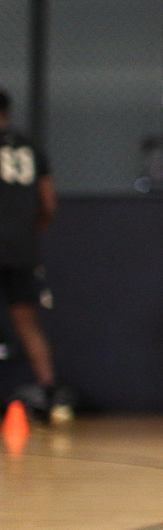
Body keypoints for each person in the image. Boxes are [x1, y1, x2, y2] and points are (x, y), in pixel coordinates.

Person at [0, 89, 69, 422]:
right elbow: (49, 203)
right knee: (27, 323)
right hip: (22, 248)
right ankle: (49, 393)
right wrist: (29, 232)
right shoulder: (31, 146)